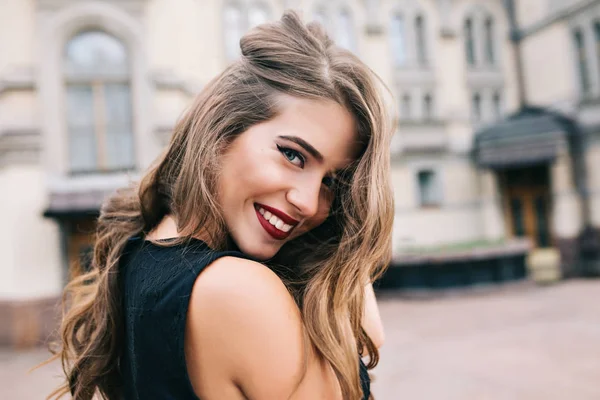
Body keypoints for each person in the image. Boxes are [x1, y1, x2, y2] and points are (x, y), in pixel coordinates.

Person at [48, 11, 393, 400]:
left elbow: (368, 339)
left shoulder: (141, 252)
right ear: (221, 130)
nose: (308, 202)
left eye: (332, 181)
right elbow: (365, 346)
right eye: (293, 156)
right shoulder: (238, 290)